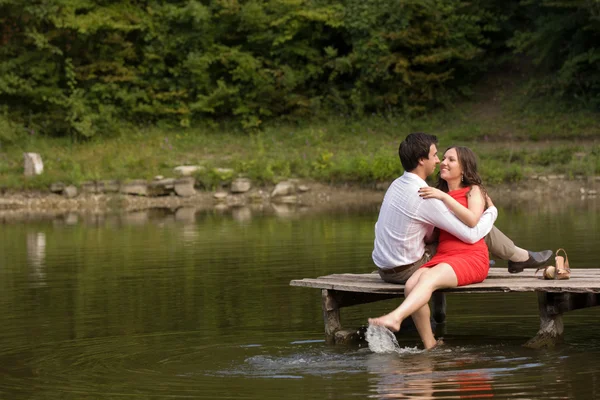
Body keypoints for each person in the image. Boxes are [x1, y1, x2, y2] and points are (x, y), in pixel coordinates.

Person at [369, 133, 551, 349]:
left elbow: (473, 227)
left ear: (464, 168)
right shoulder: (431, 195)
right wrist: (490, 213)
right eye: (438, 156)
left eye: (449, 159)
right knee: (412, 284)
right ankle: (431, 345)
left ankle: (397, 317)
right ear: (421, 160)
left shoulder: (461, 191)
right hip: (441, 256)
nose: (440, 161)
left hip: (466, 256)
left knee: (430, 277)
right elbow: (462, 232)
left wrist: (488, 210)